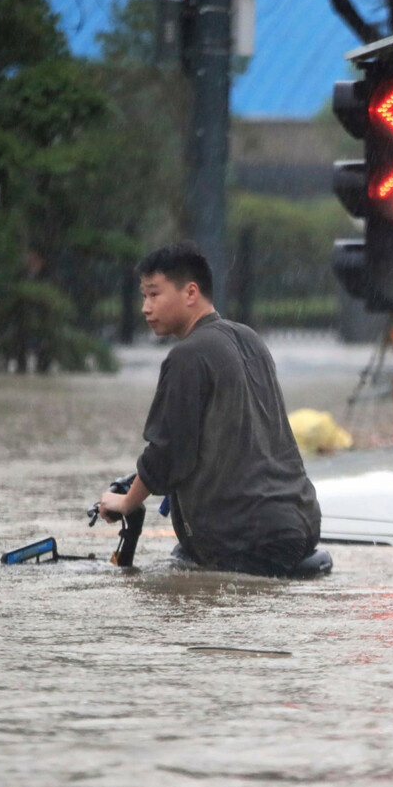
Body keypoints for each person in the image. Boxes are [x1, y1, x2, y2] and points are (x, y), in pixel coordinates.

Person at [96, 241, 322, 577]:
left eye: (154, 294)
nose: (145, 307)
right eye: (143, 296)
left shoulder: (188, 356)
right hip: (301, 524)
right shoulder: (250, 339)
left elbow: (168, 453)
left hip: (244, 539)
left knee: (162, 610)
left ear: (190, 293)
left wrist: (127, 501)